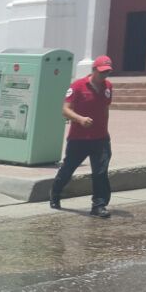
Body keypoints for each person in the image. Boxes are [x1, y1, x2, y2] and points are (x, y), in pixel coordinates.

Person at [50, 55, 114, 217]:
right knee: (68, 169)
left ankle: (99, 205)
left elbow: (105, 110)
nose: (104, 76)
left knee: (100, 172)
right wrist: (80, 119)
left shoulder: (108, 87)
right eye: (101, 72)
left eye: (107, 72)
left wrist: (105, 131)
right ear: (93, 70)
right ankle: (55, 193)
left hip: (100, 139)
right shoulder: (78, 86)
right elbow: (65, 110)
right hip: (79, 139)